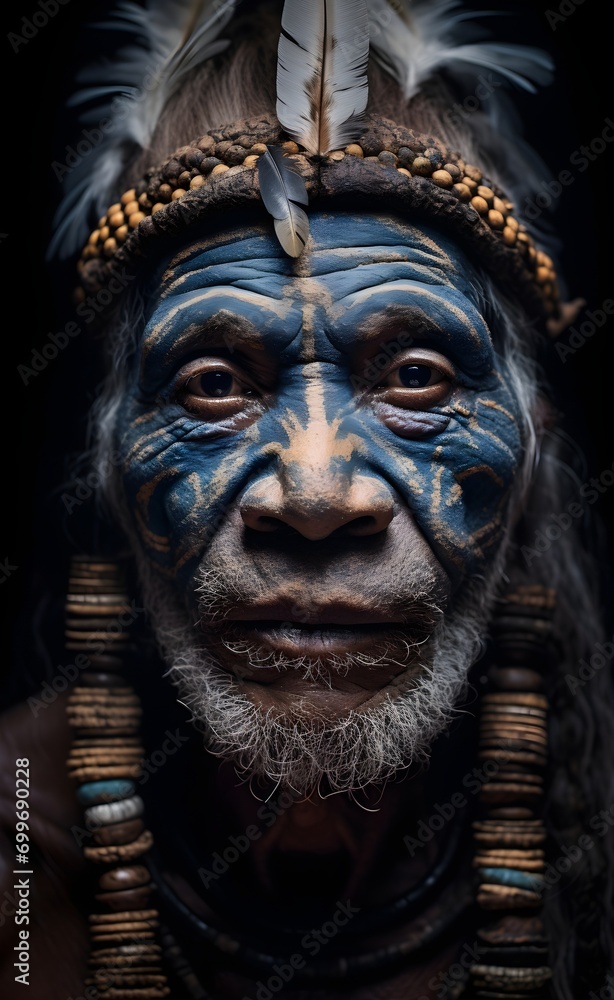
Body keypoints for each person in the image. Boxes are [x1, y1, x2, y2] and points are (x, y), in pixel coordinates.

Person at [1, 2, 613, 998]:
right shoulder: (17, 843)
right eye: (211, 383)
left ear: (532, 444)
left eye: (415, 377)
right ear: (109, 460)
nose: (318, 494)